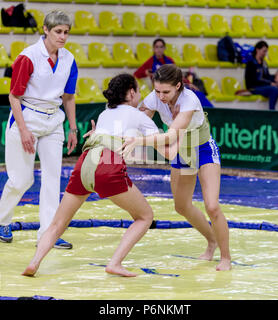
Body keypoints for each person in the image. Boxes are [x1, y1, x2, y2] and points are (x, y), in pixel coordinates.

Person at [22, 74, 175, 277]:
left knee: (58, 223)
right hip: (107, 165)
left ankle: (34, 262)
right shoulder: (138, 116)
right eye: (138, 91)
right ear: (131, 92)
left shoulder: (105, 113)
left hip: (85, 162)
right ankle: (115, 263)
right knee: (145, 216)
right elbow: (166, 151)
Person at [123, 64, 232, 271]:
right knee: (181, 206)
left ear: (178, 86)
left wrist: (139, 141)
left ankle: (225, 257)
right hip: (181, 151)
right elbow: (135, 122)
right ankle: (212, 241)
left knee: (212, 206)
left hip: (202, 149)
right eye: (157, 91)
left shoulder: (189, 100)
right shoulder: (155, 97)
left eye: (166, 92)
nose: (161, 96)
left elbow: (172, 135)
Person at [0, 10, 78, 250]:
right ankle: (3, 220)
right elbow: (14, 97)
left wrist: (72, 127)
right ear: (46, 30)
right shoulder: (28, 56)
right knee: (21, 179)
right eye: (58, 32)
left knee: (53, 179)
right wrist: (23, 130)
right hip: (27, 116)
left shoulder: (69, 59)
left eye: (66, 32)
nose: (63, 37)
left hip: (54, 120)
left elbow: (69, 97)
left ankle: (48, 233)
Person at [244, 40, 278, 110]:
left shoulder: (264, 63)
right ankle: (272, 113)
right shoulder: (251, 64)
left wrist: (276, 81)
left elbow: (267, 76)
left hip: (266, 86)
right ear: (257, 50)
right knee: (274, 89)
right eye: (264, 51)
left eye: (266, 51)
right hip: (254, 87)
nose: (265, 53)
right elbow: (255, 80)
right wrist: (270, 83)